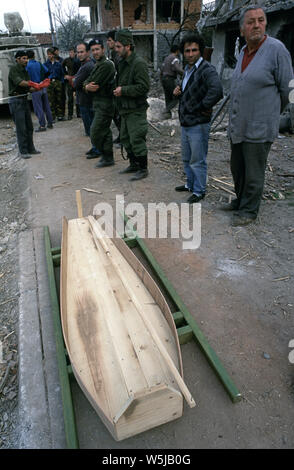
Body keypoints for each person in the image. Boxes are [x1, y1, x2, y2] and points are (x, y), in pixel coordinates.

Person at [226, 5, 294, 226]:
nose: (256, 25)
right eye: (250, 21)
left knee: (254, 171)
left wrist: (271, 111)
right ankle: (240, 200)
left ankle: (249, 211)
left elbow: (288, 89)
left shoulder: (276, 50)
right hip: (239, 124)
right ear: (242, 29)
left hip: (259, 125)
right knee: (238, 167)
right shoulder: (243, 52)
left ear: (265, 23)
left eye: (260, 20)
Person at [174, 33, 223, 203]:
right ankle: (190, 184)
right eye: (187, 51)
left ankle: (199, 190)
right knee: (187, 158)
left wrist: (203, 107)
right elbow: (189, 91)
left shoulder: (206, 69)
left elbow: (217, 91)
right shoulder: (188, 69)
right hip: (186, 122)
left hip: (198, 124)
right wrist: (179, 90)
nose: (190, 54)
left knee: (197, 159)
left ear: (200, 51)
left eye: (194, 50)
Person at [113, 29, 150, 180]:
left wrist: (124, 90)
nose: (116, 50)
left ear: (128, 46)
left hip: (136, 109)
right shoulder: (122, 63)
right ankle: (134, 164)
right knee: (126, 138)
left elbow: (144, 87)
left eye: (118, 46)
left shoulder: (138, 63)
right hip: (125, 109)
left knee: (136, 139)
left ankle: (143, 168)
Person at [83, 39, 116, 168]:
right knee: (105, 131)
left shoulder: (106, 65)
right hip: (98, 103)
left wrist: (86, 86)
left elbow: (94, 83)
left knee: (95, 132)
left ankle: (105, 154)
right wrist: (86, 86)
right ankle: (108, 157)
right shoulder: (98, 64)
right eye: (93, 50)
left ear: (103, 49)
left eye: (97, 49)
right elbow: (86, 82)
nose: (95, 52)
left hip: (105, 103)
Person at [8, 50, 41, 159]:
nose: (26, 60)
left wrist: (39, 87)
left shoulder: (25, 70)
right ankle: (23, 151)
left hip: (24, 99)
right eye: (23, 58)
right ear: (17, 59)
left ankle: (31, 148)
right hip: (16, 100)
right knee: (21, 127)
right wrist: (33, 84)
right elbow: (20, 82)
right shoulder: (14, 69)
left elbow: (28, 88)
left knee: (29, 126)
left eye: (26, 58)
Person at [73, 42, 100, 158]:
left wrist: (74, 81)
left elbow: (76, 84)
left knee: (92, 128)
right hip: (85, 101)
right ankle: (95, 147)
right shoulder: (84, 65)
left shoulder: (88, 66)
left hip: (88, 102)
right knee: (91, 128)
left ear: (87, 52)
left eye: (82, 52)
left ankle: (97, 149)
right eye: (78, 52)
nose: (79, 54)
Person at [26, 49, 53, 132]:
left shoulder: (27, 66)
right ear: (34, 55)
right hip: (43, 87)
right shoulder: (39, 64)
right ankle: (50, 123)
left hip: (35, 89)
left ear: (27, 57)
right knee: (47, 106)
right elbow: (47, 72)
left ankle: (42, 125)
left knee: (38, 108)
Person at [160, 44, 183, 119]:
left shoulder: (166, 58)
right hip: (170, 79)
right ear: (177, 51)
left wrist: (161, 80)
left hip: (164, 79)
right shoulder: (174, 59)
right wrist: (185, 74)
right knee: (177, 96)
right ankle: (166, 110)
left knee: (168, 97)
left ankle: (167, 116)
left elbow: (161, 70)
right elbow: (177, 68)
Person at [107, 30, 121, 145]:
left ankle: (123, 137)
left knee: (118, 115)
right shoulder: (113, 54)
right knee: (115, 115)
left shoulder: (117, 55)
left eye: (109, 40)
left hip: (119, 89)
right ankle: (121, 136)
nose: (108, 43)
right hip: (115, 88)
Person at [44, 48, 64, 122]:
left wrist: (61, 82)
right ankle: (52, 117)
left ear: (53, 55)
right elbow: (44, 75)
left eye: (50, 54)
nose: (49, 56)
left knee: (59, 99)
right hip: (49, 83)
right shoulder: (45, 64)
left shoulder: (58, 64)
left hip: (57, 82)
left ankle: (60, 115)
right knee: (51, 100)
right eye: (48, 54)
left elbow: (62, 74)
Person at [63, 48, 81, 120]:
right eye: (70, 52)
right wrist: (65, 75)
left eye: (72, 52)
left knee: (78, 98)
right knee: (70, 98)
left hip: (77, 79)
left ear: (75, 53)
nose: (71, 54)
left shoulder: (78, 60)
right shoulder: (66, 60)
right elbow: (61, 67)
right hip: (69, 80)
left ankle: (79, 113)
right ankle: (70, 114)